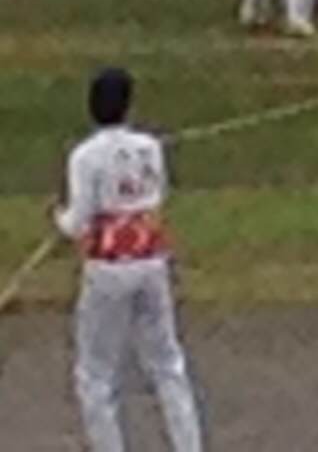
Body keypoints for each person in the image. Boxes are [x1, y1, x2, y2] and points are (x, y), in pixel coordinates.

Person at [54, 65, 207, 452]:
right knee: (167, 363)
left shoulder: (85, 156)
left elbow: (79, 220)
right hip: (152, 261)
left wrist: (59, 220)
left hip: (109, 268)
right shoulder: (150, 147)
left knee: (95, 374)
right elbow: (158, 194)